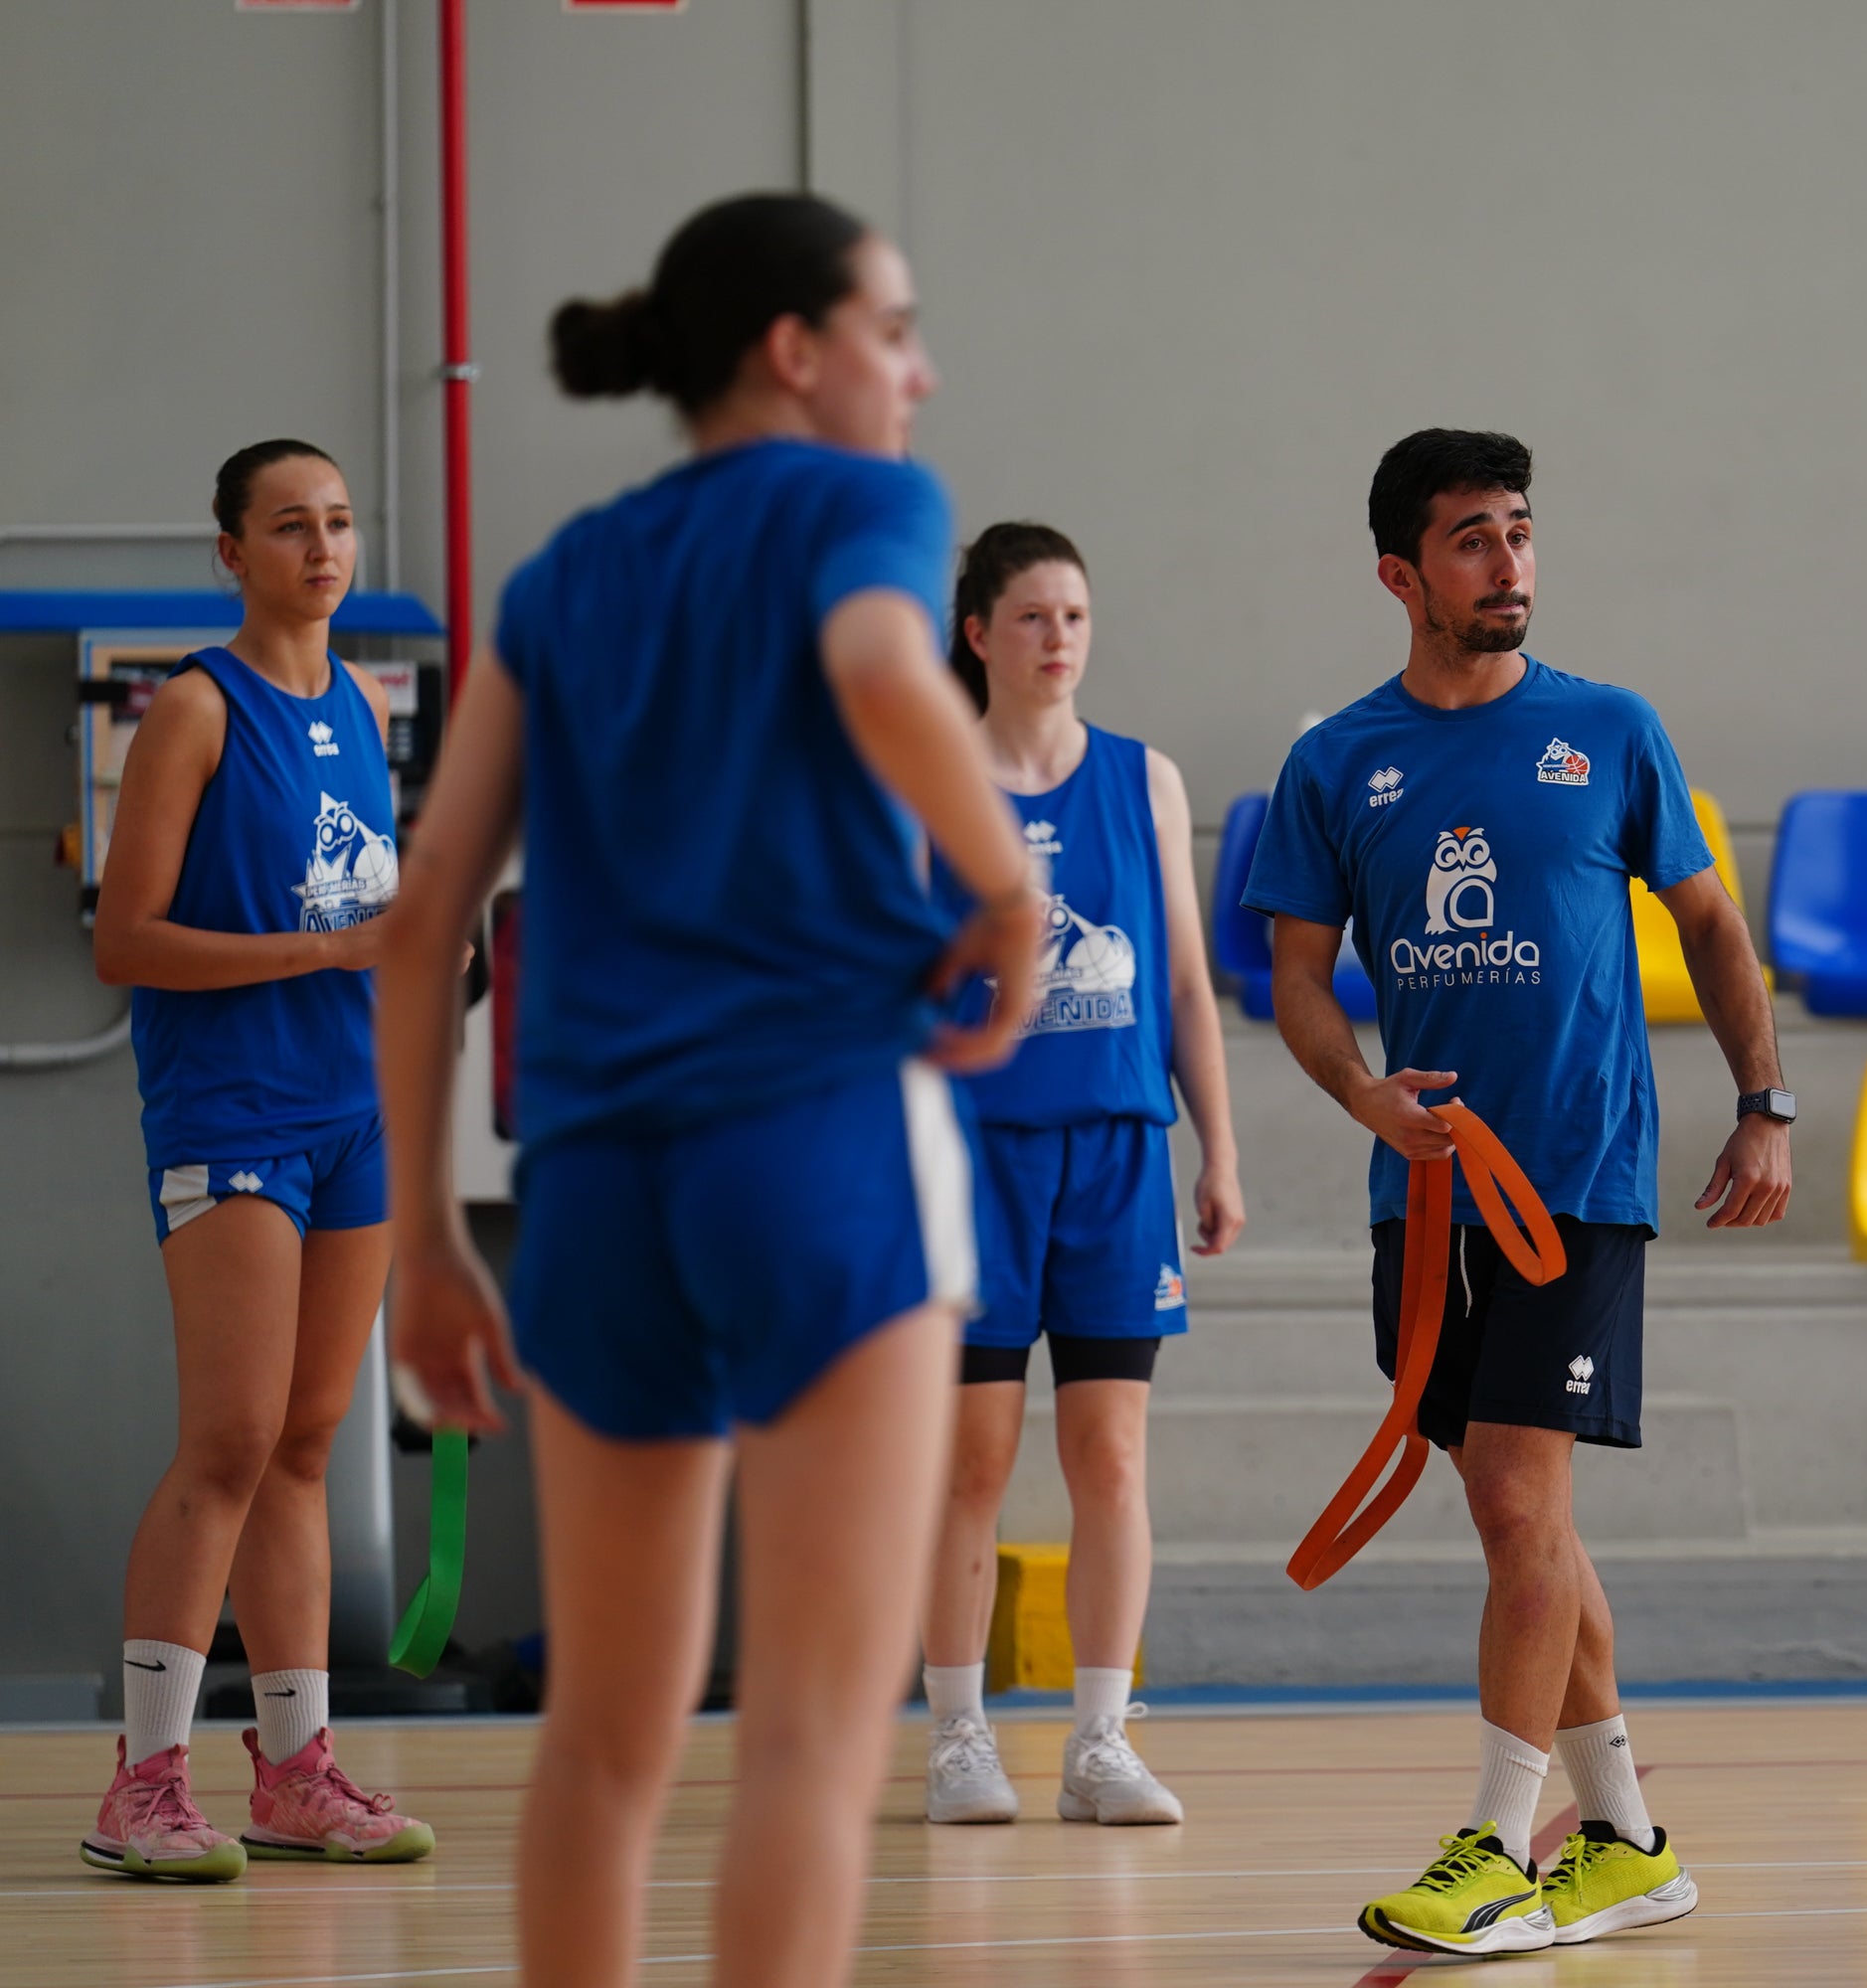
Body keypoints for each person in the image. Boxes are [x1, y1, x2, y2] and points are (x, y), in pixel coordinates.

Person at [375, 192, 1045, 1988]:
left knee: (600, 1743)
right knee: (816, 1744)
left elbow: (425, 910)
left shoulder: (562, 573)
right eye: (895, 328)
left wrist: (426, 1241)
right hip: (819, 1140)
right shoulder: (866, 504)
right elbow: (883, 667)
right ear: (796, 350)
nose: (920, 370)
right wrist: (1007, 882)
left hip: (592, 1188)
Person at [1245, 428, 1792, 1957]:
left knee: (1511, 1495)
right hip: (1417, 1198)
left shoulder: (1609, 731)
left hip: (1576, 1179)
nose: (1511, 567)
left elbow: (1712, 929)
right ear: (1400, 576)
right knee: (1518, 1522)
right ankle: (1624, 1841)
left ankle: (1496, 1838)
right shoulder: (1337, 759)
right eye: (1475, 541)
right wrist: (1361, 1094)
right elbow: (1295, 973)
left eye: (1523, 534)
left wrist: (1764, 1103)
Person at [84, 440, 436, 1882]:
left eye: (341, 522)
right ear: (230, 551)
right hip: (233, 1114)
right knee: (228, 1439)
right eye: (291, 525)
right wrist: (328, 949)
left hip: (357, 1113)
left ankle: (296, 1774)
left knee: (306, 1441)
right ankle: (142, 1783)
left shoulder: (357, 699)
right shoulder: (192, 710)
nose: (323, 546)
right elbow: (126, 941)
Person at [915, 521, 1244, 1830]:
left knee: (1111, 1457)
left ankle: (1101, 1738)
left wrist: (1218, 1144)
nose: (1059, 639)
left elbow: (1180, 982)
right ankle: (957, 1738)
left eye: (1077, 617)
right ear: (979, 634)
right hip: (973, 1156)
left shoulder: (1144, 780)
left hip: (1117, 1155)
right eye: (1034, 617)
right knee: (970, 1466)